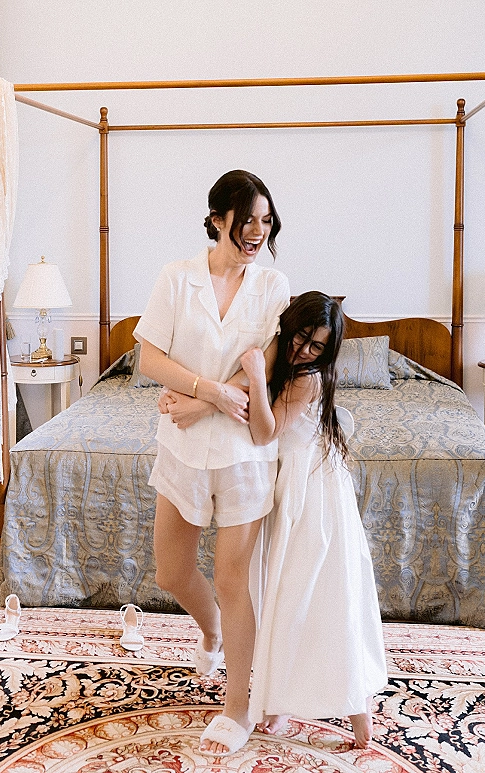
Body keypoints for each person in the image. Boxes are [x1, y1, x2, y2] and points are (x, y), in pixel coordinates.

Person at [134, 170, 290, 756]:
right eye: (247, 219)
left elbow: (264, 367)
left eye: (266, 220)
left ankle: (237, 706)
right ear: (218, 218)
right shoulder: (177, 279)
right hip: (181, 448)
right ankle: (212, 630)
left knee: (232, 580)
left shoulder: (274, 286)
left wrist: (206, 401)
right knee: (171, 572)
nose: (257, 231)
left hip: (244, 454)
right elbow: (149, 358)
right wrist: (210, 392)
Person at [240, 291, 387, 750]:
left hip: (314, 494)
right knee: (291, 593)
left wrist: (254, 377)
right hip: (300, 486)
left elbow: (264, 430)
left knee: (316, 594)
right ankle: (282, 699)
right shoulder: (285, 360)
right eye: (302, 337)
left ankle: (357, 712)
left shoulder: (307, 378)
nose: (305, 349)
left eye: (317, 346)